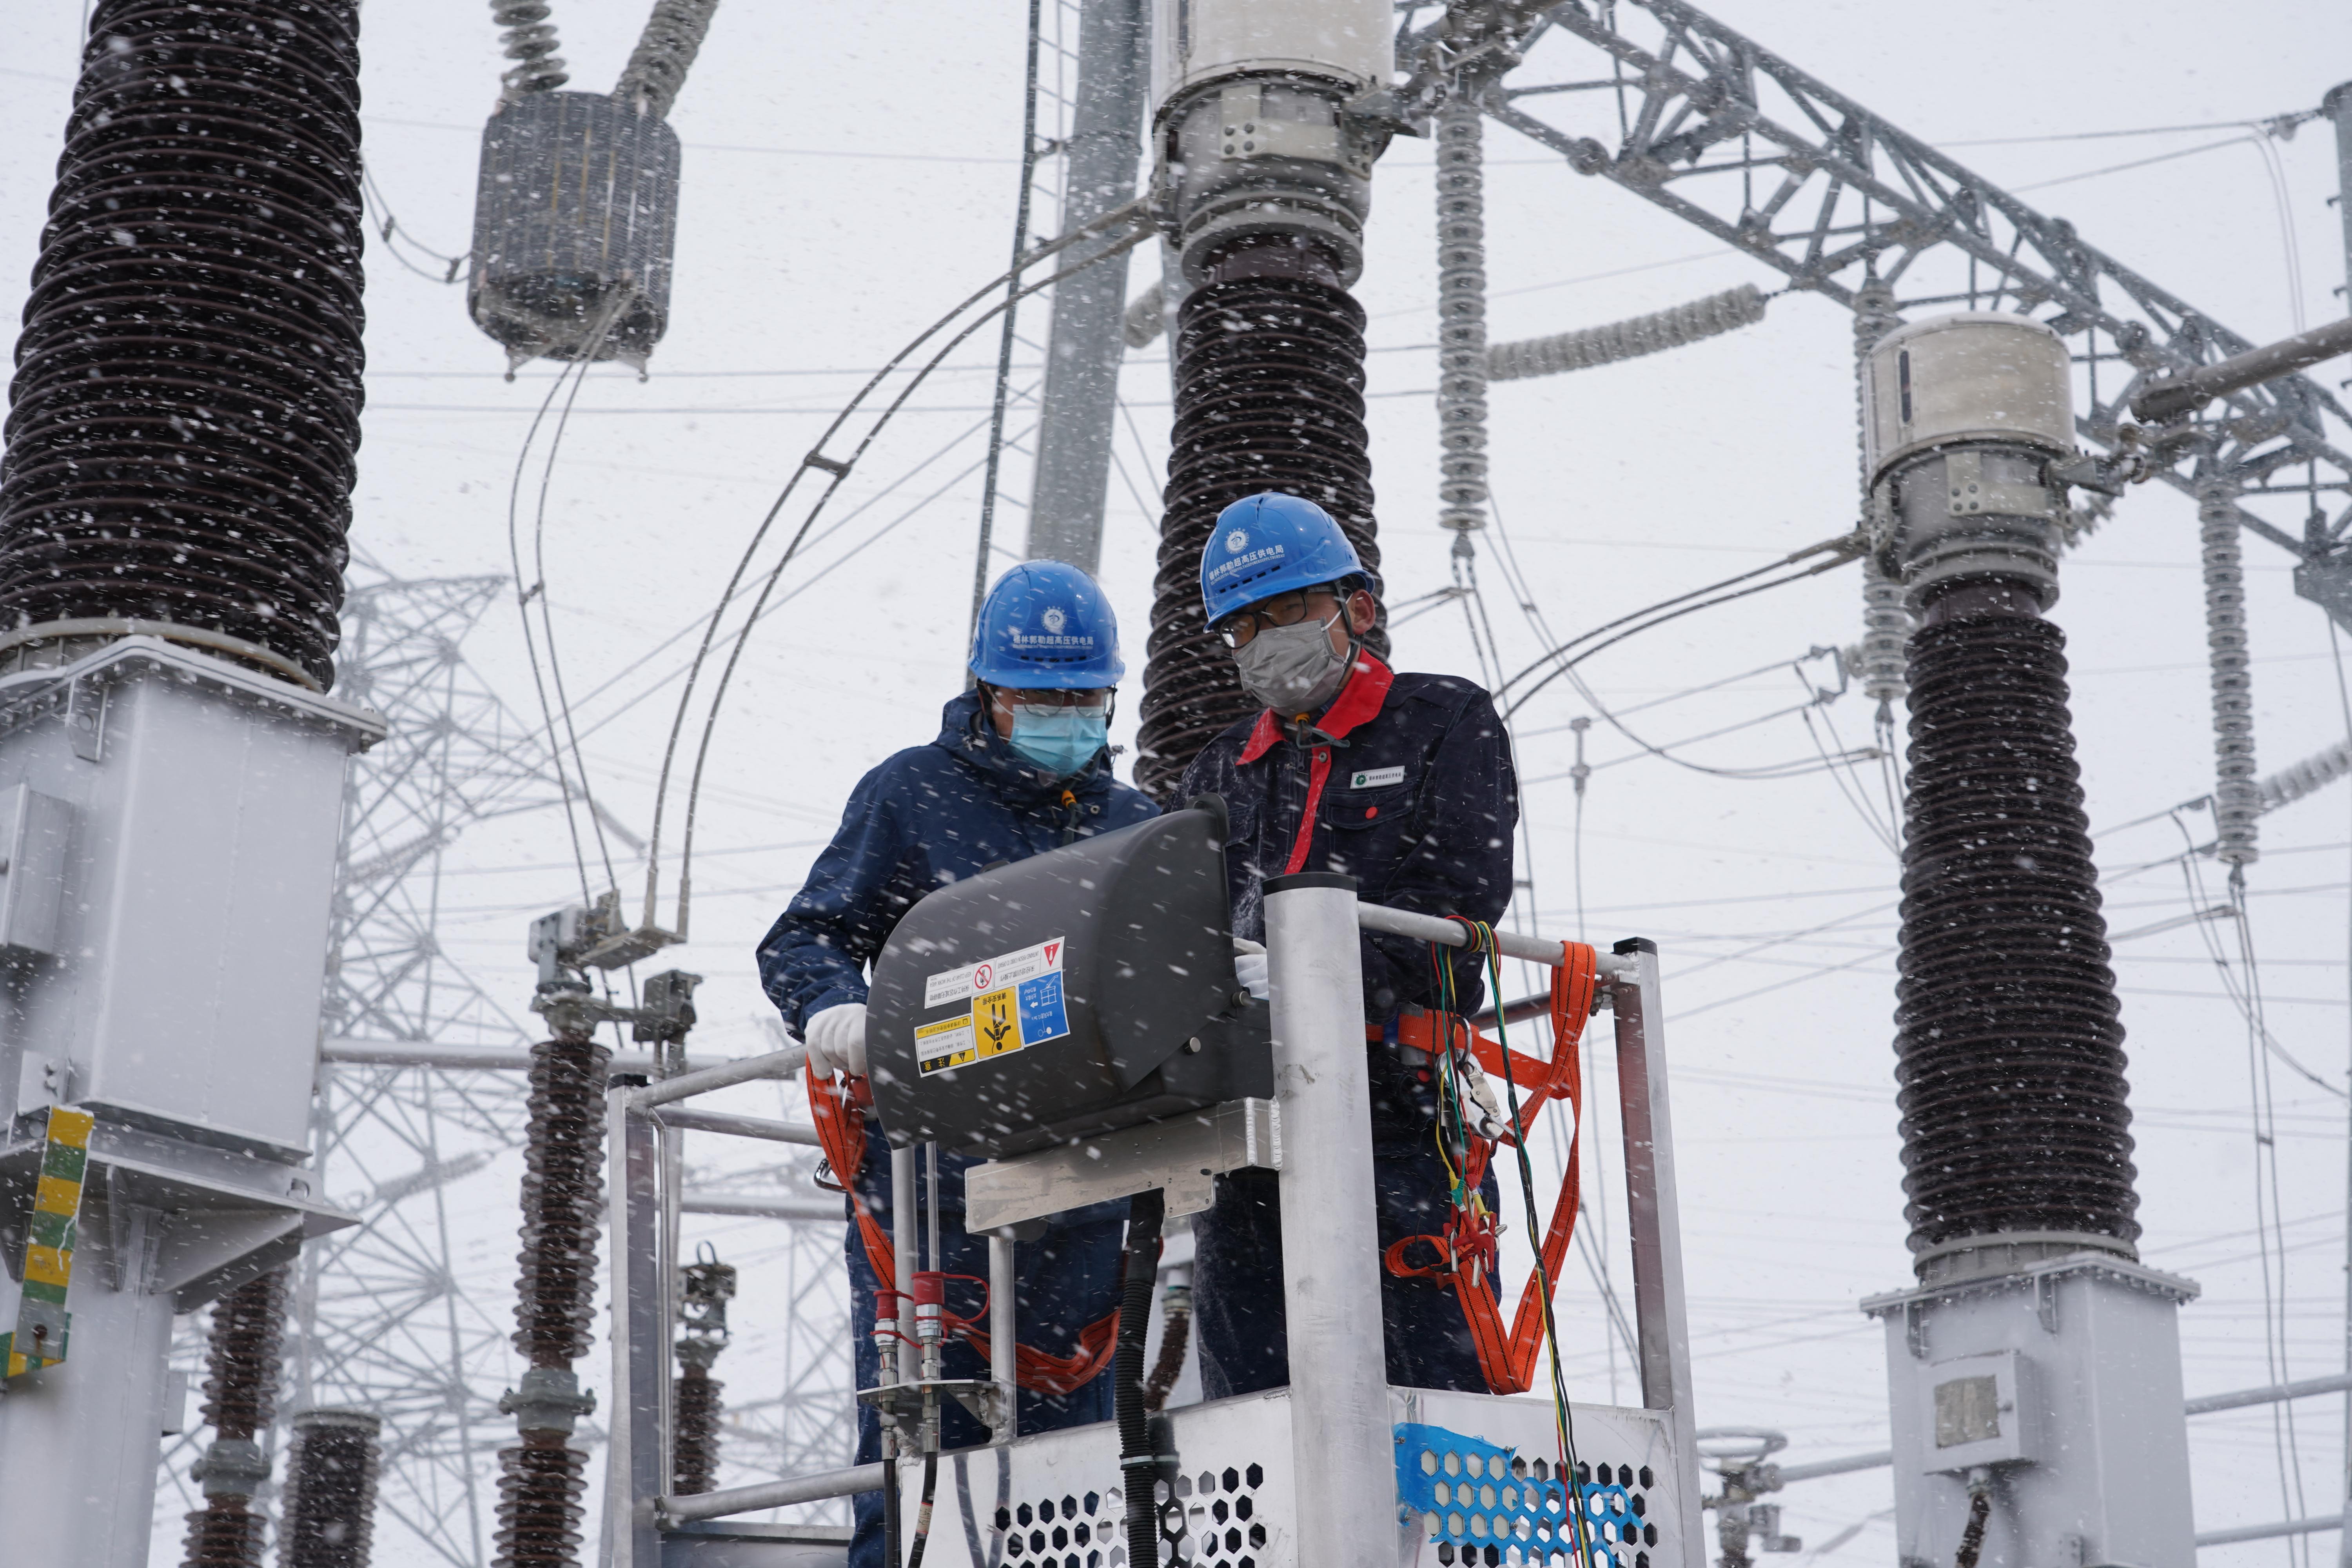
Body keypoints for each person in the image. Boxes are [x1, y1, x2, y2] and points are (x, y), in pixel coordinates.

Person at [757, 560, 1155, 1566]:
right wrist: (836, 1007)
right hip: (932, 1188)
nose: (1064, 716)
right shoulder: (913, 793)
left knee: (1076, 1481)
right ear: (987, 692)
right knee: (921, 1459)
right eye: (1039, 696)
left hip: (1087, 1187)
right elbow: (804, 937)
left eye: (1082, 697)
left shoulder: (1132, 825)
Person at [1176, 490, 1520, 1397]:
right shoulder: (1218, 773)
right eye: (1241, 627)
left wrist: (1307, 976)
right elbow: (1174, 929)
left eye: (1284, 610)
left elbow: (1457, 898)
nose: (1262, 640)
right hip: (1252, 1130)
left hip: (1399, 1119)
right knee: (1257, 1401)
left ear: (1355, 609)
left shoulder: (1443, 721)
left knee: (1431, 1393)